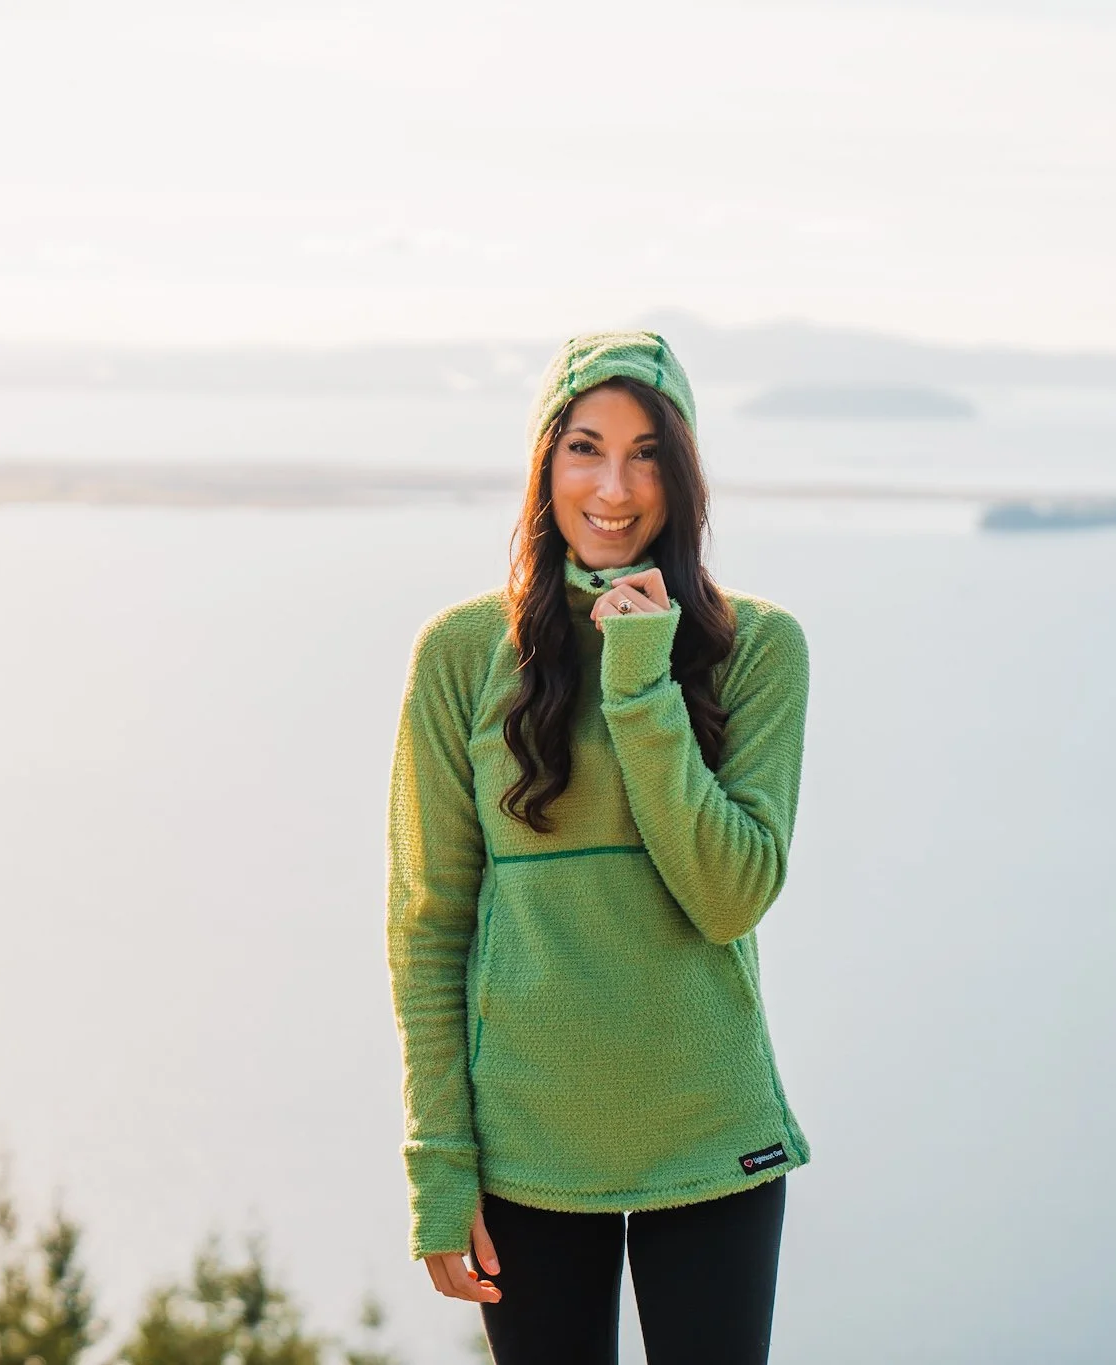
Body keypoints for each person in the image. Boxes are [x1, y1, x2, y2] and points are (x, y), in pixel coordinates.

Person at [384, 331, 811, 1364]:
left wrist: (639, 676)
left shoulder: (757, 647)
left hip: (711, 1147)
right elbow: (427, 922)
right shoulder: (460, 654)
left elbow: (728, 895)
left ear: (683, 472)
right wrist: (439, 1167)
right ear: (544, 463)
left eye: (647, 452)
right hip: (525, 1158)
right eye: (584, 447)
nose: (613, 486)